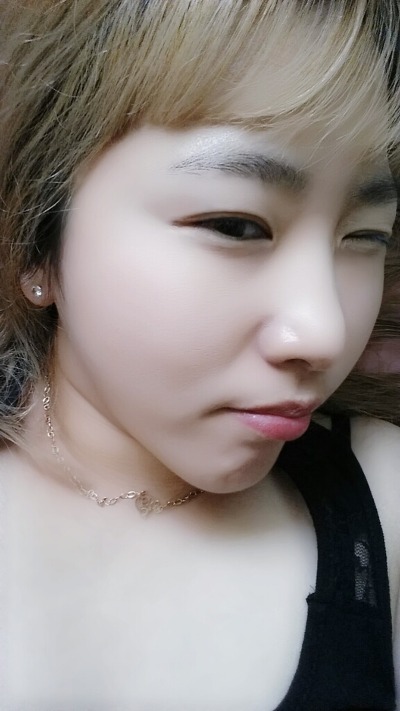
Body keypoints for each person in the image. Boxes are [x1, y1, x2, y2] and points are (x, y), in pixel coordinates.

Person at [0, 1, 399, 708]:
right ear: (38, 240)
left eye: (365, 236)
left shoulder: (386, 493)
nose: (324, 332)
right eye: (235, 225)